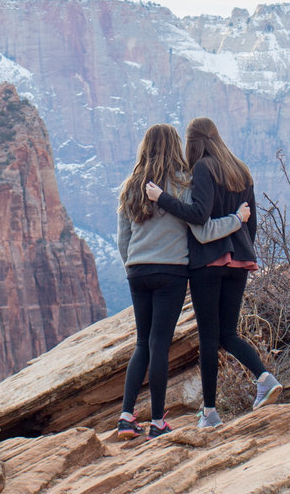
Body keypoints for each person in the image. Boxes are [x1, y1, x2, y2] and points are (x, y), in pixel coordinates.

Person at [113, 123, 242, 439]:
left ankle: (127, 417)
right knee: (160, 343)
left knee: (143, 342)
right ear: (175, 148)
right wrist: (237, 220)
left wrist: (133, 264)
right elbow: (202, 229)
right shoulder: (183, 183)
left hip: (137, 271)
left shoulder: (131, 186)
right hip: (171, 272)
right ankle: (158, 422)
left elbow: (122, 239)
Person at [177, 116, 281, 428]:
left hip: (208, 262)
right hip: (239, 262)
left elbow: (198, 215)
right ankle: (264, 378)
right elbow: (252, 226)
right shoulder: (241, 170)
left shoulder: (203, 169)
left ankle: (209, 413)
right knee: (228, 333)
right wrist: (240, 248)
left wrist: (166, 201)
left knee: (209, 338)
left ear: (194, 143)